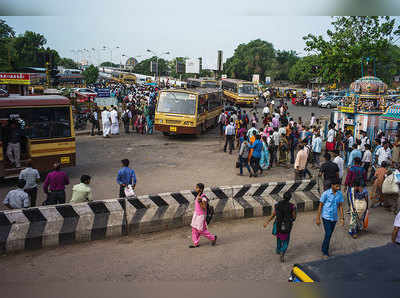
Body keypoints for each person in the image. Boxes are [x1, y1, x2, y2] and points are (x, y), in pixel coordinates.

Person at [264, 192, 296, 263]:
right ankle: (282, 251)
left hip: (278, 225)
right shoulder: (292, 206)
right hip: (286, 226)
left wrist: (267, 222)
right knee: (285, 241)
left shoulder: (277, 205)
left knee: (279, 238)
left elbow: (273, 214)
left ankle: (278, 250)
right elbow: (294, 217)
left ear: (283, 197)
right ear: (290, 198)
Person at [316, 178, 344, 258]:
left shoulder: (340, 194)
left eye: (339, 185)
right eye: (336, 185)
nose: (338, 187)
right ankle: (325, 251)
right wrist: (318, 218)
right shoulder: (325, 194)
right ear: (332, 186)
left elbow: (340, 206)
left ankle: (324, 247)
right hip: (326, 217)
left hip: (334, 218)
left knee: (329, 234)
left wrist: (342, 218)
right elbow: (320, 205)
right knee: (328, 234)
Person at [189, 183, 217, 248]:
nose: (195, 189)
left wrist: (200, 202)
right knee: (194, 228)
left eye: (197, 188)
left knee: (201, 230)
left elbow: (204, 207)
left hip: (201, 216)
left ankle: (213, 238)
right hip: (196, 214)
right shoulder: (198, 195)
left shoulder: (203, 197)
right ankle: (196, 242)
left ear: (201, 189)